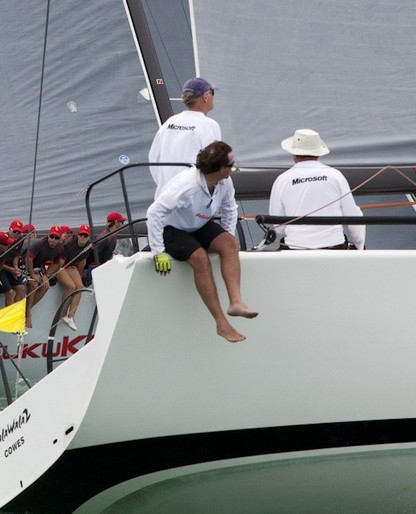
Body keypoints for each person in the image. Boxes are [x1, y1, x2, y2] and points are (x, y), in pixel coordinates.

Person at [147, 140, 257, 343]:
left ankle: (236, 302)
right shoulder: (186, 186)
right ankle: (221, 324)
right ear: (220, 168)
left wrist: (226, 235)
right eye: (231, 164)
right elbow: (154, 213)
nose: (233, 167)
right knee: (200, 258)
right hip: (172, 229)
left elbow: (230, 208)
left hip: (198, 225)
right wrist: (158, 252)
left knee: (230, 244)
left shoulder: (225, 181)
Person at [268, 129, 366, 250]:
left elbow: (278, 227)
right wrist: (360, 247)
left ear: (294, 154)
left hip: (295, 248)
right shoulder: (335, 176)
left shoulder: (281, 180)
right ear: (318, 153)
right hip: (334, 247)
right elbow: (353, 216)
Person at [148, 77, 222, 200]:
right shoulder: (209, 125)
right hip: (193, 200)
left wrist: (167, 185)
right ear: (205, 97)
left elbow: (153, 159)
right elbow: (214, 163)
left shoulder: (168, 123)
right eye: (212, 93)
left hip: (165, 197)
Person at [24, 225, 66, 327]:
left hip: (38, 266)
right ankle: (28, 315)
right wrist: (32, 274)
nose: (53, 240)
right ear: (48, 236)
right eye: (52, 237)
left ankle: (26, 310)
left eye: (56, 238)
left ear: (60, 239)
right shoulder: (39, 244)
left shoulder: (59, 248)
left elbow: (57, 264)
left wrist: (46, 275)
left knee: (45, 286)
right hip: (25, 263)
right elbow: (28, 259)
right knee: (33, 285)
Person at [57, 225, 92, 330]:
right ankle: (62, 314)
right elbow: (59, 264)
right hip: (60, 266)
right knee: (71, 287)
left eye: (85, 236)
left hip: (71, 266)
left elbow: (83, 261)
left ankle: (71, 316)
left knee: (80, 287)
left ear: (88, 237)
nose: (83, 238)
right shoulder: (69, 244)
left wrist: (80, 274)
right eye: (81, 235)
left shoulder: (89, 245)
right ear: (77, 235)